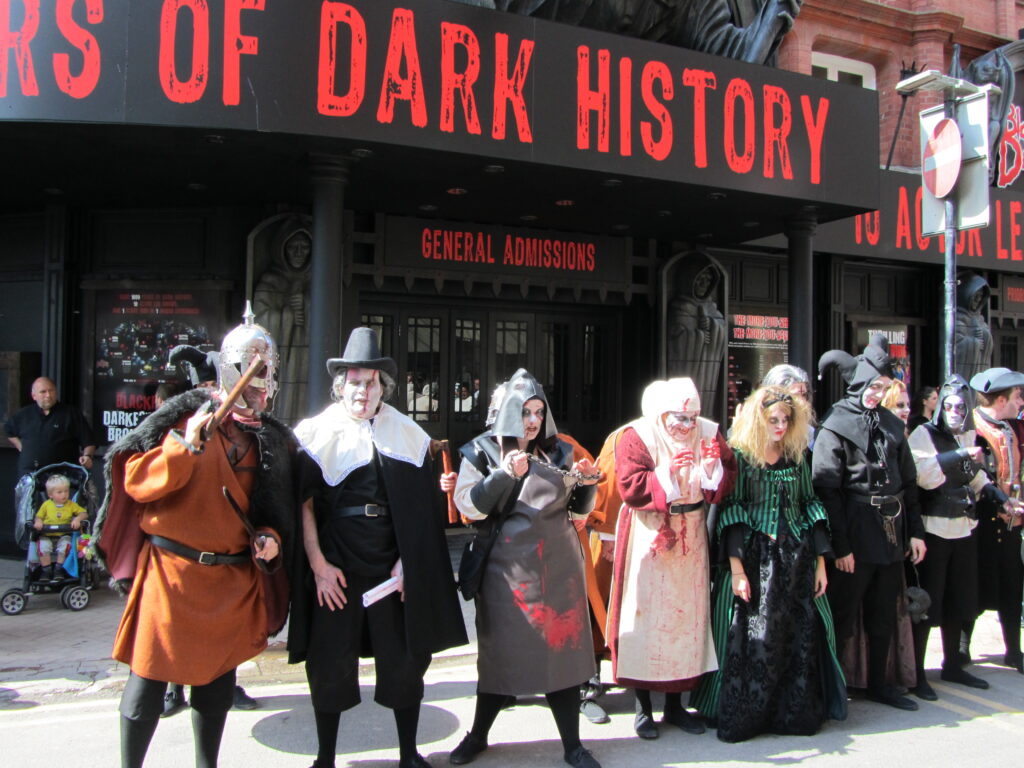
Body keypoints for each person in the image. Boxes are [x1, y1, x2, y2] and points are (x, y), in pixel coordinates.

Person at [94, 305, 296, 768]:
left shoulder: (271, 439)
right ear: (232, 371)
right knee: (147, 683)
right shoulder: (182, 418)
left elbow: (270, 511)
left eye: (266, 380)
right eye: (252, 377)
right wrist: (183, 447)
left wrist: (269, 539)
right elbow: (137, 482)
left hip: (230, 580)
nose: (259, 392)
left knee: (216, 687)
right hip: (171, 577)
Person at [288, 327, 466, 768]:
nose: (362, 390)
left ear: (382, 386)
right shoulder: (315, 432)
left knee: (406, 660)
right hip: (338, 569)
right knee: (328, 663)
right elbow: (303, 505)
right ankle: (325, 759)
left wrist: (409, 562)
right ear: (341, 385)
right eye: (354, 381)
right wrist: (317, 565)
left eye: (370, 382)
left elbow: (423, 508)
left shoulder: (406, 433)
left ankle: (409, 754)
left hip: (392, 571)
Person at [447, 369, 602, 768]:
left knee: (562, 657)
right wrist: (503, 474)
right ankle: (478, 735)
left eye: (537, 411)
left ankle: (573, 745)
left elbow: (577, 511)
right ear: (505, 413)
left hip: (561, 569)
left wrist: (586, 485)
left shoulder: (560, 451)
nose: (532, 421)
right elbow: (470, 507)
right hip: (507, 573)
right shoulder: (479, 452)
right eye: (523, 412)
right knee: (503, 656)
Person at [692, 386, 846, 741]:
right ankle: (747, 714)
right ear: (757, 419)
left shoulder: (796, 456)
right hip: (754, 560)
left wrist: (821, 563)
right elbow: (732, 510)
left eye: (785, 420)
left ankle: (787, 713)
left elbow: (809, 504)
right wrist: (736, 570)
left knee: (796, 639)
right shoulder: (742, 457)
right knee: (751, 638)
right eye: (773, 419)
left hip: (797, 562)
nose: (779, 426)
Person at [606, 378, 735, 741]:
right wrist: (668, 475)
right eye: (680, 418)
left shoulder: (709, 432)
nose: (688, 427)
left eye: (692, 418)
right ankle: (643, 706)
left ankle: (677, 705)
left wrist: (711, 470)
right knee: (645, 616)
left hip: (691, 533)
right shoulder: (637, 435)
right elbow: (630, 484)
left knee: (686, 620)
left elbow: (727, 477)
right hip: (648, 531)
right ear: (662, 414)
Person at [813, 340, 926, 712]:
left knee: (882, 614)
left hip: (892, 531)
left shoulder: (893, 425)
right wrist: (840, 546)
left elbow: (908, 482)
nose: (878, 394)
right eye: (872, 387)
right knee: (843, 614)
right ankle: (830, 688)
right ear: (857, 386)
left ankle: (880, 683)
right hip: (855, 531)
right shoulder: (835, 425)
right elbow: (827, 489)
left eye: (882, 387)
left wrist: (916, 532)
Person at [907, 375, 1003, 700]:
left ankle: (952, 664)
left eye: (960, 407)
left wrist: (996, 494)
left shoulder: (967, 434)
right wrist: (961, 458)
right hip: (934, 528)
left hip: (964, 527)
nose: (953, 411)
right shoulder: (924, 434)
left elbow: (974, 477)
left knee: (960, 600)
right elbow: (924, 476)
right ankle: (917, 673)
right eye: (948, 406)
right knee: (926, 604)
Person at [962, 367, 1024, 672]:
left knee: (1013, 586)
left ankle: (1014, 650)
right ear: (1001, 398)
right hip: (981, 519)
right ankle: (962, 650)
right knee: (973, 585)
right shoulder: (971, 425)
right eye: (1017, 396)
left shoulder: (1014, 427)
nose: (1021, 402)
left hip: (1012, 521)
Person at [5, 377, 96, 476]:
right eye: (43, 392)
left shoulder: (71, 414)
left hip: (62, 477)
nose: (48, 395)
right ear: (34, 396)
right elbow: (9, 430)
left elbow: (89, 441)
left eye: (51, 390)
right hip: (29, 476)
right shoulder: (23, 414)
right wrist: (22, 447)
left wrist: (87, 456)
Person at [33, 473, 88, 582]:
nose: (64, 494)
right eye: (60, 492)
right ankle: (46, 570)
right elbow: (38, 517)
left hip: (64, 535)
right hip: (47, 535)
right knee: (43, 548)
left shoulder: (71, 505)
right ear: (50, 494)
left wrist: (77, 519)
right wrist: (38, 522)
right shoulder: (46, 505)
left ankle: (59, 569)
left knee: (65, 546)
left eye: (66, 491)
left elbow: (84, 513)